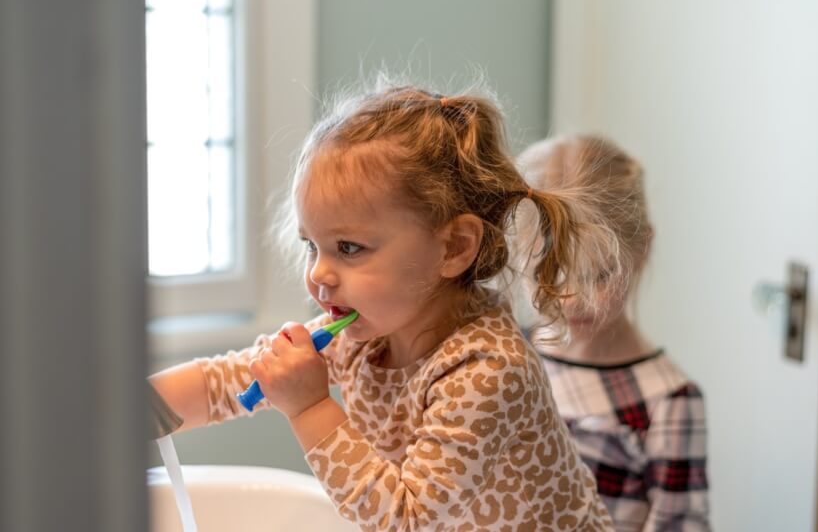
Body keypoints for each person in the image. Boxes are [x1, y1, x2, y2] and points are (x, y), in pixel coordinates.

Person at [150, 82, 616, 530]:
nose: (317, 273)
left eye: (349, 248)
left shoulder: (490, 370)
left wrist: (310, 407)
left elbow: (405, 520)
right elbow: (226, 383)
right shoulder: (365, 335)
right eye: (312, 245)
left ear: (453, 247)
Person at [517, 135, 711, 532]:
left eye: (599, 275)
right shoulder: (506, 353)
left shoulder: (666, 402)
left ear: (641, 250)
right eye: (548, 276)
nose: (571, 299)